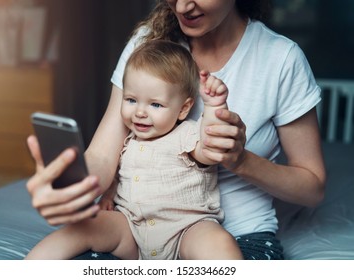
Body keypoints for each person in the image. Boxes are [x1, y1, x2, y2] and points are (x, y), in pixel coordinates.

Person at [26, 0, 326, 260]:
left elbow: (313, 189)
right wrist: (66, 184)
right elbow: (103, 156)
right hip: (134, 228)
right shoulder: (147, 44)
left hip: (233, 237)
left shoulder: (281, 58)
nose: (182, 6)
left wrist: (241, 160)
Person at [26, 40, 243, 260]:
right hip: (131, 229)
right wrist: (109, 191)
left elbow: (211, 147)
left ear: (184, 109)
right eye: (131, 100)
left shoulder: (186, 134)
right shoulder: (128, 140)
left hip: (186, 230)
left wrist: (215, 106)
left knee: (218, 242)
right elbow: (121, 171)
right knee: (83, 227)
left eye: (155, 104)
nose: (139, 112)